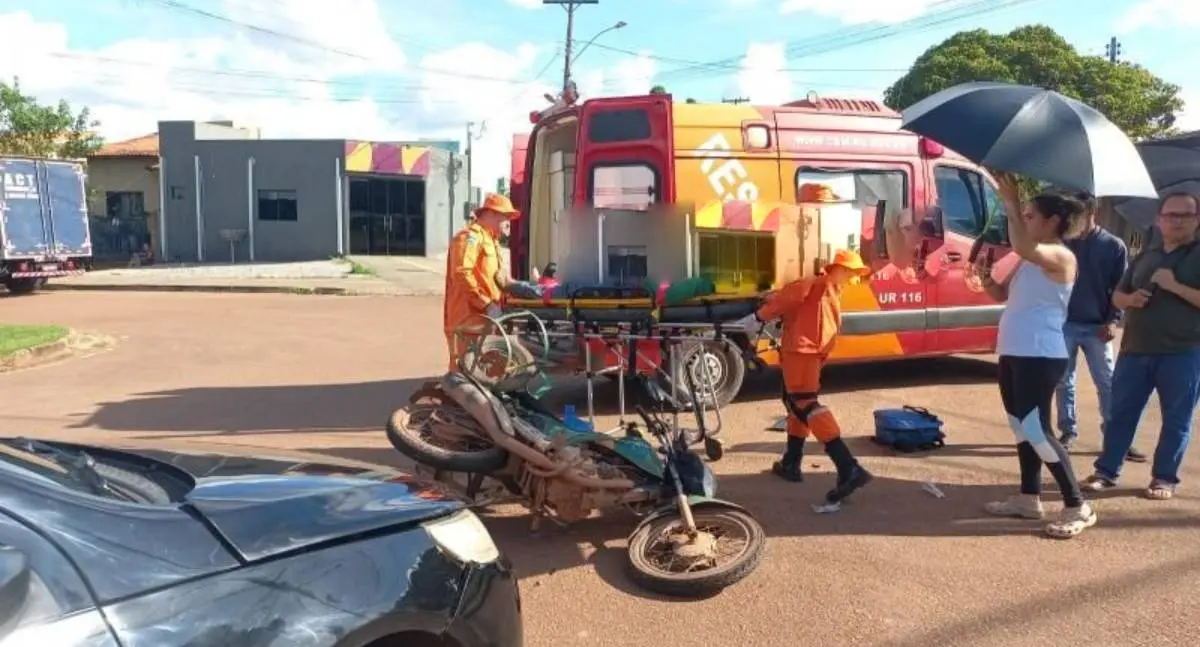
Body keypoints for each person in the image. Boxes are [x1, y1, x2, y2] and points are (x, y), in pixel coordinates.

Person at [975, 174, 1095, 539]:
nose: (1024, 220)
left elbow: (1024, 246)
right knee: (1020, 427)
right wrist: (986, 279)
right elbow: (1001, 295)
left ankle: (1077, 505)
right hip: (1014, 350)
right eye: (1024, 215)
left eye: (1030, 215)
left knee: (1036, 429)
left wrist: (1010, 201)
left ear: (1052, 221)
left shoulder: (1059, 254)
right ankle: (1029, 498)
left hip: (1040, 354)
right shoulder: (1029, 257)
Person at [1084, 192, 1200, 500]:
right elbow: (1117, 296)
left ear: (1196, 220)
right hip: (1135, 350)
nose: (1177, 221)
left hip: (1183, 352)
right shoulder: (1146, 256)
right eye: (1171, 215)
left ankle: (1164, 478)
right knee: (1120, 414)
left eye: (1185, 215)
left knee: (1176, 419)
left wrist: (1175, 286)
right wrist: (1130, 299)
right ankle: (1106, 472)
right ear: (1159, 220)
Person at [742, 249, 874, 505]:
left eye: (853, 273)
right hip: (810, 353)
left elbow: (786, 300)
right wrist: (773, 300)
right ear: (835, 268)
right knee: (795, 403)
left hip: (802, 351)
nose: (851, 277)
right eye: (849, 272)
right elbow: (789, 299)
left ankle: (848, 466)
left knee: (804, 403)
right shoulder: (826, 289)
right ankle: (791, 462)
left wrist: (757, 317)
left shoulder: (815, 284)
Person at [1053, 192, 1146, 460]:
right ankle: (1067, 432)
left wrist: (1112, 320)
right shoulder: (1063, 243)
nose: (1072, 221)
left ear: (1092, 214)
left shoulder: (1113, 246)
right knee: (1063, 381)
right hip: (1065, 324)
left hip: (1098, 326)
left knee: (1107, 383)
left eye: (1077, 215)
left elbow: (1121, 286)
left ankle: (1115, 437)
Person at [444, 193, 521, 371]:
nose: (508, 223)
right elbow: (462, 274)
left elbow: (496, 278)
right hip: (468, 320)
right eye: (505, 217)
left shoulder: (492, 241)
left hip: (486, 318)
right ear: (492, 213)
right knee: (465, 370)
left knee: (487, 370)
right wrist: (486, 304)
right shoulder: (469, 237)